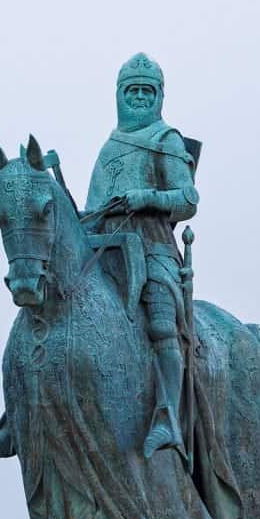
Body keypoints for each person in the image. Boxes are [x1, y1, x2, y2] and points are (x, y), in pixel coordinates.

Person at [84, 53, 199, 458]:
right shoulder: (109, 147)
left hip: (151, 244)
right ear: (118, 95)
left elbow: (188, 198)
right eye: (130, 90)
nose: (137, 97)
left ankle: (167, 415)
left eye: (145, 91)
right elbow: (93, 206)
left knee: (161, 315)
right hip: (106, 244)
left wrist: (144, 197)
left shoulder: (166, 139)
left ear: (158, 96)